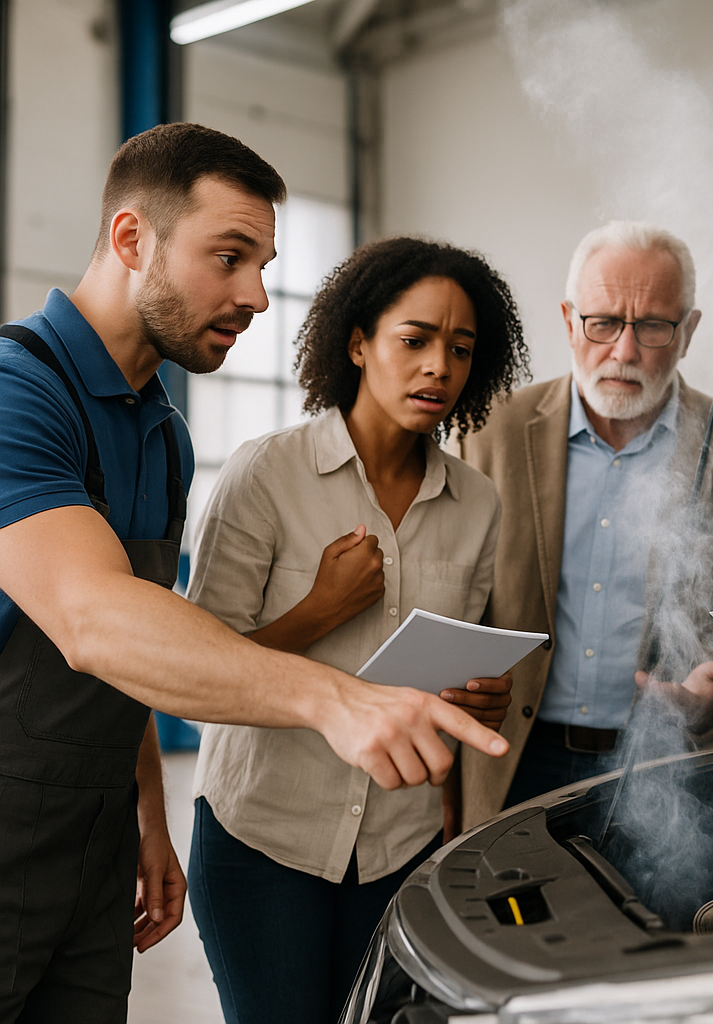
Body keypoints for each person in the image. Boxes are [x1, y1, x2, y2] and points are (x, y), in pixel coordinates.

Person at [0, 124, 509, 1024]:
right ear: (131, 240)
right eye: (229, 257)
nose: (257, 296)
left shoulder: (163, 432)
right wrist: (337, 698)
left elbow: (139, 656)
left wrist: (146, 819)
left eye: (263, 265)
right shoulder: (16, 393)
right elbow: (92, 622)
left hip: (94, 843)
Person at [184, 237, 530, 1023]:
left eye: (461, 348)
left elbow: (444, 671)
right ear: (357, 342)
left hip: (399, 848)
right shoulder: (266, 474)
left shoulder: (478, 503)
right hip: (262, 840)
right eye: (415, 341)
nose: (439, 366)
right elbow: (198, 684)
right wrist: (320, 612)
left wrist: (475, 701)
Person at [457, 221, 713, 829]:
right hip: (514, 762)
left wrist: (709, 705)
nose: (624, 352)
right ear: (570, 321)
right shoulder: (490, 429)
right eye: (602, 324)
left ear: (689, 332)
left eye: (653, 326)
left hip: (667, 771)